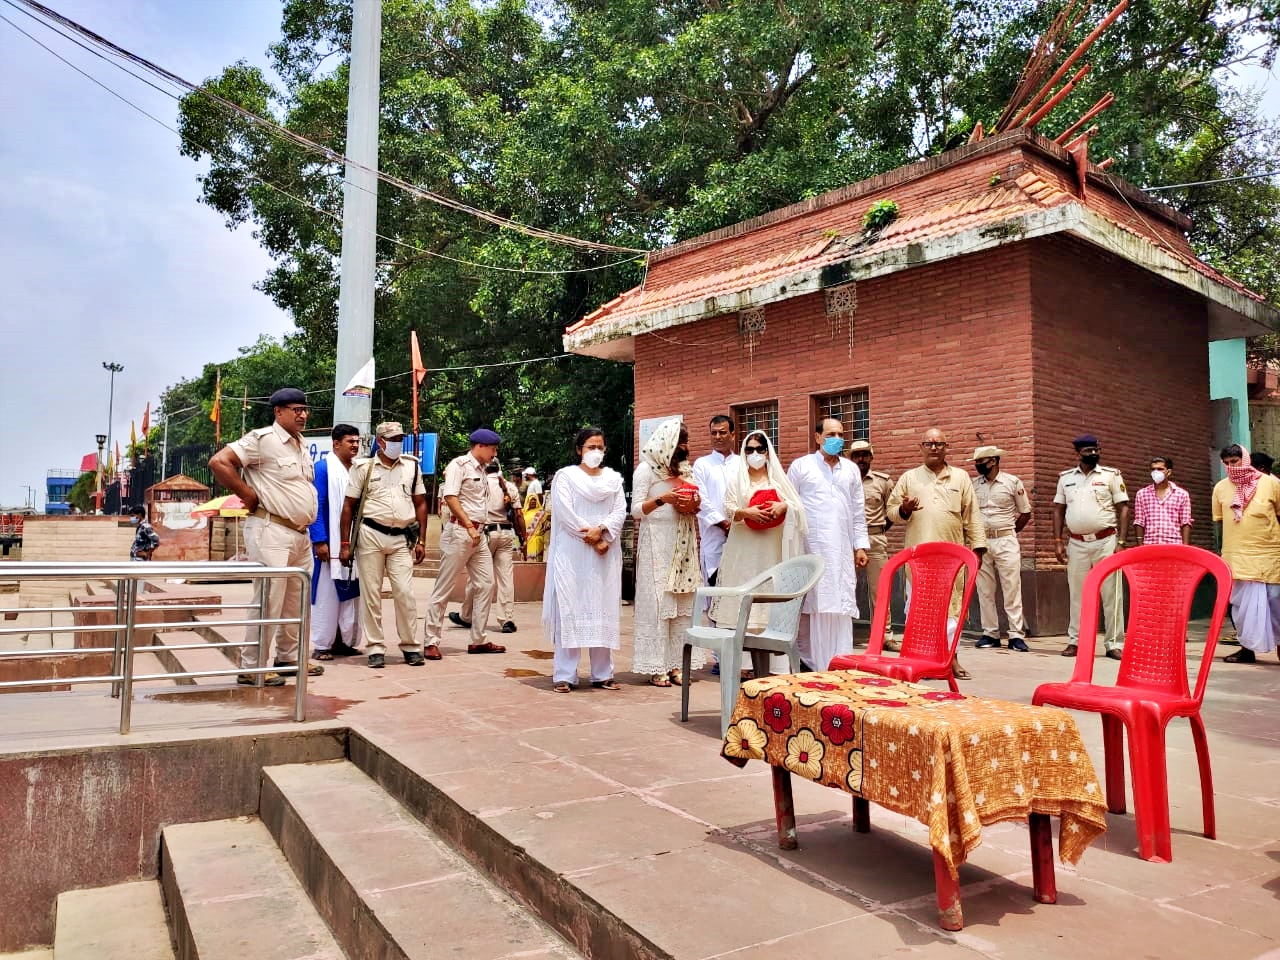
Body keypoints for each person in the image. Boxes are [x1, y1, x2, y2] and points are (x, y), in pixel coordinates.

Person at [209, 387, 322, 686]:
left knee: (295, 601)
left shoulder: (300, 443)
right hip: (271, 529)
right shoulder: (263, 440)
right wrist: (247, 494)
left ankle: (288, 658)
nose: (303, 415)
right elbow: (219, 462)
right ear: (278, 411)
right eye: (296, 409)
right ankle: (252, 666)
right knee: (269, 600)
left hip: (299, 534)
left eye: (304, 409)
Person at [886, 428, 986, 679]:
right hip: (919, 560)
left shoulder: (961, 477)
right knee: (918, 610)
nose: (934, 448)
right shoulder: (909, 478)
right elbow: (891, 512)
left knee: (952, 610)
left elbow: (972, 514)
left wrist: (978, 549)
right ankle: (921, 660)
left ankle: (951, 660)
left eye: (939, 444)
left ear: (946, 447)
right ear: (921, 447)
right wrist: (905, 509)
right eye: (929, 443)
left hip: (953, 559)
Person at [544, 427, 628, 692]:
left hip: (605, 554)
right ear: (579, 449)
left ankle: (603, 673)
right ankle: (565, 675)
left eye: (600, 447)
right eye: (590, 447)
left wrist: (602, 529)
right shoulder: (566, 477)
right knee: (570, 608)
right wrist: (595, 538)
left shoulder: (613, 479)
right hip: (573, 553)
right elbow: (565, 513)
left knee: (603, 607)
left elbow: (620, 510)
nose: (596, 452)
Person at [339, 422, 428, 669]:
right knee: (371, 594)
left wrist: (421, 540)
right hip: (370, 535)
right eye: (393, 439)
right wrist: (345, 544)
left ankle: (410, 645)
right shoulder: (363, 468)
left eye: (400, 438)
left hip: (401, 537)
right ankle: (375, 647)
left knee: (405, 593)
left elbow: (421, 503)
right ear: (380, 441)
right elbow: (348, 506)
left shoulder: (411, 466)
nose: (397, 443)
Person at [786, 418, 870, 670]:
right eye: (831, 434)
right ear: (817, 437)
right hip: (811, 546)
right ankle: (812, 663)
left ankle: (840, 661)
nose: (837, 438)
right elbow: (790, 507)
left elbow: (858, 512)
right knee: (814, 603)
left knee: (840, 601)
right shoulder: (801, 466)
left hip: (842, 550)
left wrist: (861, 546)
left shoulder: (850, 469)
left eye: (841, 434)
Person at [631, 418, 706, 686]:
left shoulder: (686, 469)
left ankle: (677, 665)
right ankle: (657, 666)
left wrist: (692, 503)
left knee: (683, 605)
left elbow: (698, 503)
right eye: (680, 443)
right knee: (659, 602)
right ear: (667, 443)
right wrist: (664, 499)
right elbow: (636, 510)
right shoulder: (646, 469)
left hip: (683, 541)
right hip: (657, 541)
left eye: (686, 443)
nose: (684, 448)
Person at [422, 428, 508, 657]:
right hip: (460, 532)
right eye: (493, 448)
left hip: (479, 535)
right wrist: (469, 526)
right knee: (444, 587)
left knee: (486, 585)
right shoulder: (458, 466)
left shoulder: (483, 469)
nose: (495, 452)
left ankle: (478, 639)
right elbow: (450, 497)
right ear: (480, 445)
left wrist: (476, 529)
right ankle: (431, 641)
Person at [714, 430, 807, 637]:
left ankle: (774, 660)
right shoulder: (737, 480)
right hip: (745, 550)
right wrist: (747, 512)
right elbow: (728, 509)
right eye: (749, 450)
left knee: (770, 597)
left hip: (771, 551)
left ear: (767, 452)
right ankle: (745, 663)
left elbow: (799, 509)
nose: (754, 453)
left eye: (759, 449)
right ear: (744, 453)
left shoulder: (778, 481)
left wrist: (783, 507)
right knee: (745, 596)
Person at [1053, 434, 1130, 660]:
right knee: (1078, 594)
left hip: (1106, 541)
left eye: (1096, 450)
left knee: (1111, 594)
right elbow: (1058, 509)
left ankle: (1114, 643)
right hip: (1076, 542)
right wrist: (1058, 541)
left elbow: (1123, 507)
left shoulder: (1111, 476)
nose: (1093, 454)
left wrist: (1122, 543)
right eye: (1088, 451)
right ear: (1078, 454)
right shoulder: (1066, 478)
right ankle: (1076, 642)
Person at [1212, 444, 1280, 664]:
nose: (1232, 466)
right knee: (1239, 606)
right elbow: (1221, 523)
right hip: (1236, 556)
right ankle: (1246, 650)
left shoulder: (1271, 483)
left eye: (1236, 461)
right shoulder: (1221, 488)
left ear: (1246, 459)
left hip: (1269, 555)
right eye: (1228, 463)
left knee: (1275, 603)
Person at [970, 445, 1032, 652]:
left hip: (1005, 540)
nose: (979, 465)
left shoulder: (1012, 482)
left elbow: (1025, 512)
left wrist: (1010, 531)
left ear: (994, 461)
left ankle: (1015, 635)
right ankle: (990, 633)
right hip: (981, 542)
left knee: (1011, 587)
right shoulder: (972, 485)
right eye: (977, 462)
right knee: (984, 589)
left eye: (982, 462)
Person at [309, 424, 362, 661]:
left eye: (357, 441)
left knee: (351, 594)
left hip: (355, 544)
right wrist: (319, 540)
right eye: (350, 441)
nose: (355, 445)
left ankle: (344, 642)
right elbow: (316, 506)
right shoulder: (323, 469)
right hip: (329, 544)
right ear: (336, 444)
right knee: (327, 595)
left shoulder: (359, 470)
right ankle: (322, 644)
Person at [455, 460, 527, 634]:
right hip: (506, 534)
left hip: (485, 533)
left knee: (477, 576)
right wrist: (523, 539)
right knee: (505, 578)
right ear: (499, 468)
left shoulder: (479, 485)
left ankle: (467, 615)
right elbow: (518, 515)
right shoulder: (509, 487)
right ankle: (507, 619)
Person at [692, 415, 739, 674]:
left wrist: (740, 525)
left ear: (733, 433)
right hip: (715, 540)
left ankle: (740, 657)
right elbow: (702, 500)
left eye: (723, 432)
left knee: (740, 595)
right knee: (718, 597)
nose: (718, 437)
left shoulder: (742, 463)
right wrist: (723, 524)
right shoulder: (702, 464)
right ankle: (721, 658)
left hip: (743, 538)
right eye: (714, 433)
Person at [847, 440, 894, 647]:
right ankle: (844, 634)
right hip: (848, 542)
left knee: (880, 589)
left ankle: (884, 635)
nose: (861, 459)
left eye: (865, 455)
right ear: (850, 458)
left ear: (871, 457)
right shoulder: (843, 479)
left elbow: (891, 510)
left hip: (875, 539)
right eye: (857, 455)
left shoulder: (883, 482)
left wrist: (879, 529)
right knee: (846, 587)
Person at [1131, 456, 1192, 546]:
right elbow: (1139, 522)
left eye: (1160, 469)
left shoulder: (1182, 495)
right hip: (1150, 545)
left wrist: (1185, 547)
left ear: (1169, 472)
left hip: (1174, 545)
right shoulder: (1142, 494)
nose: (1156, 472)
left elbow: (1185, 522)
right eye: (1153, 469)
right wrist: (1141, 546)